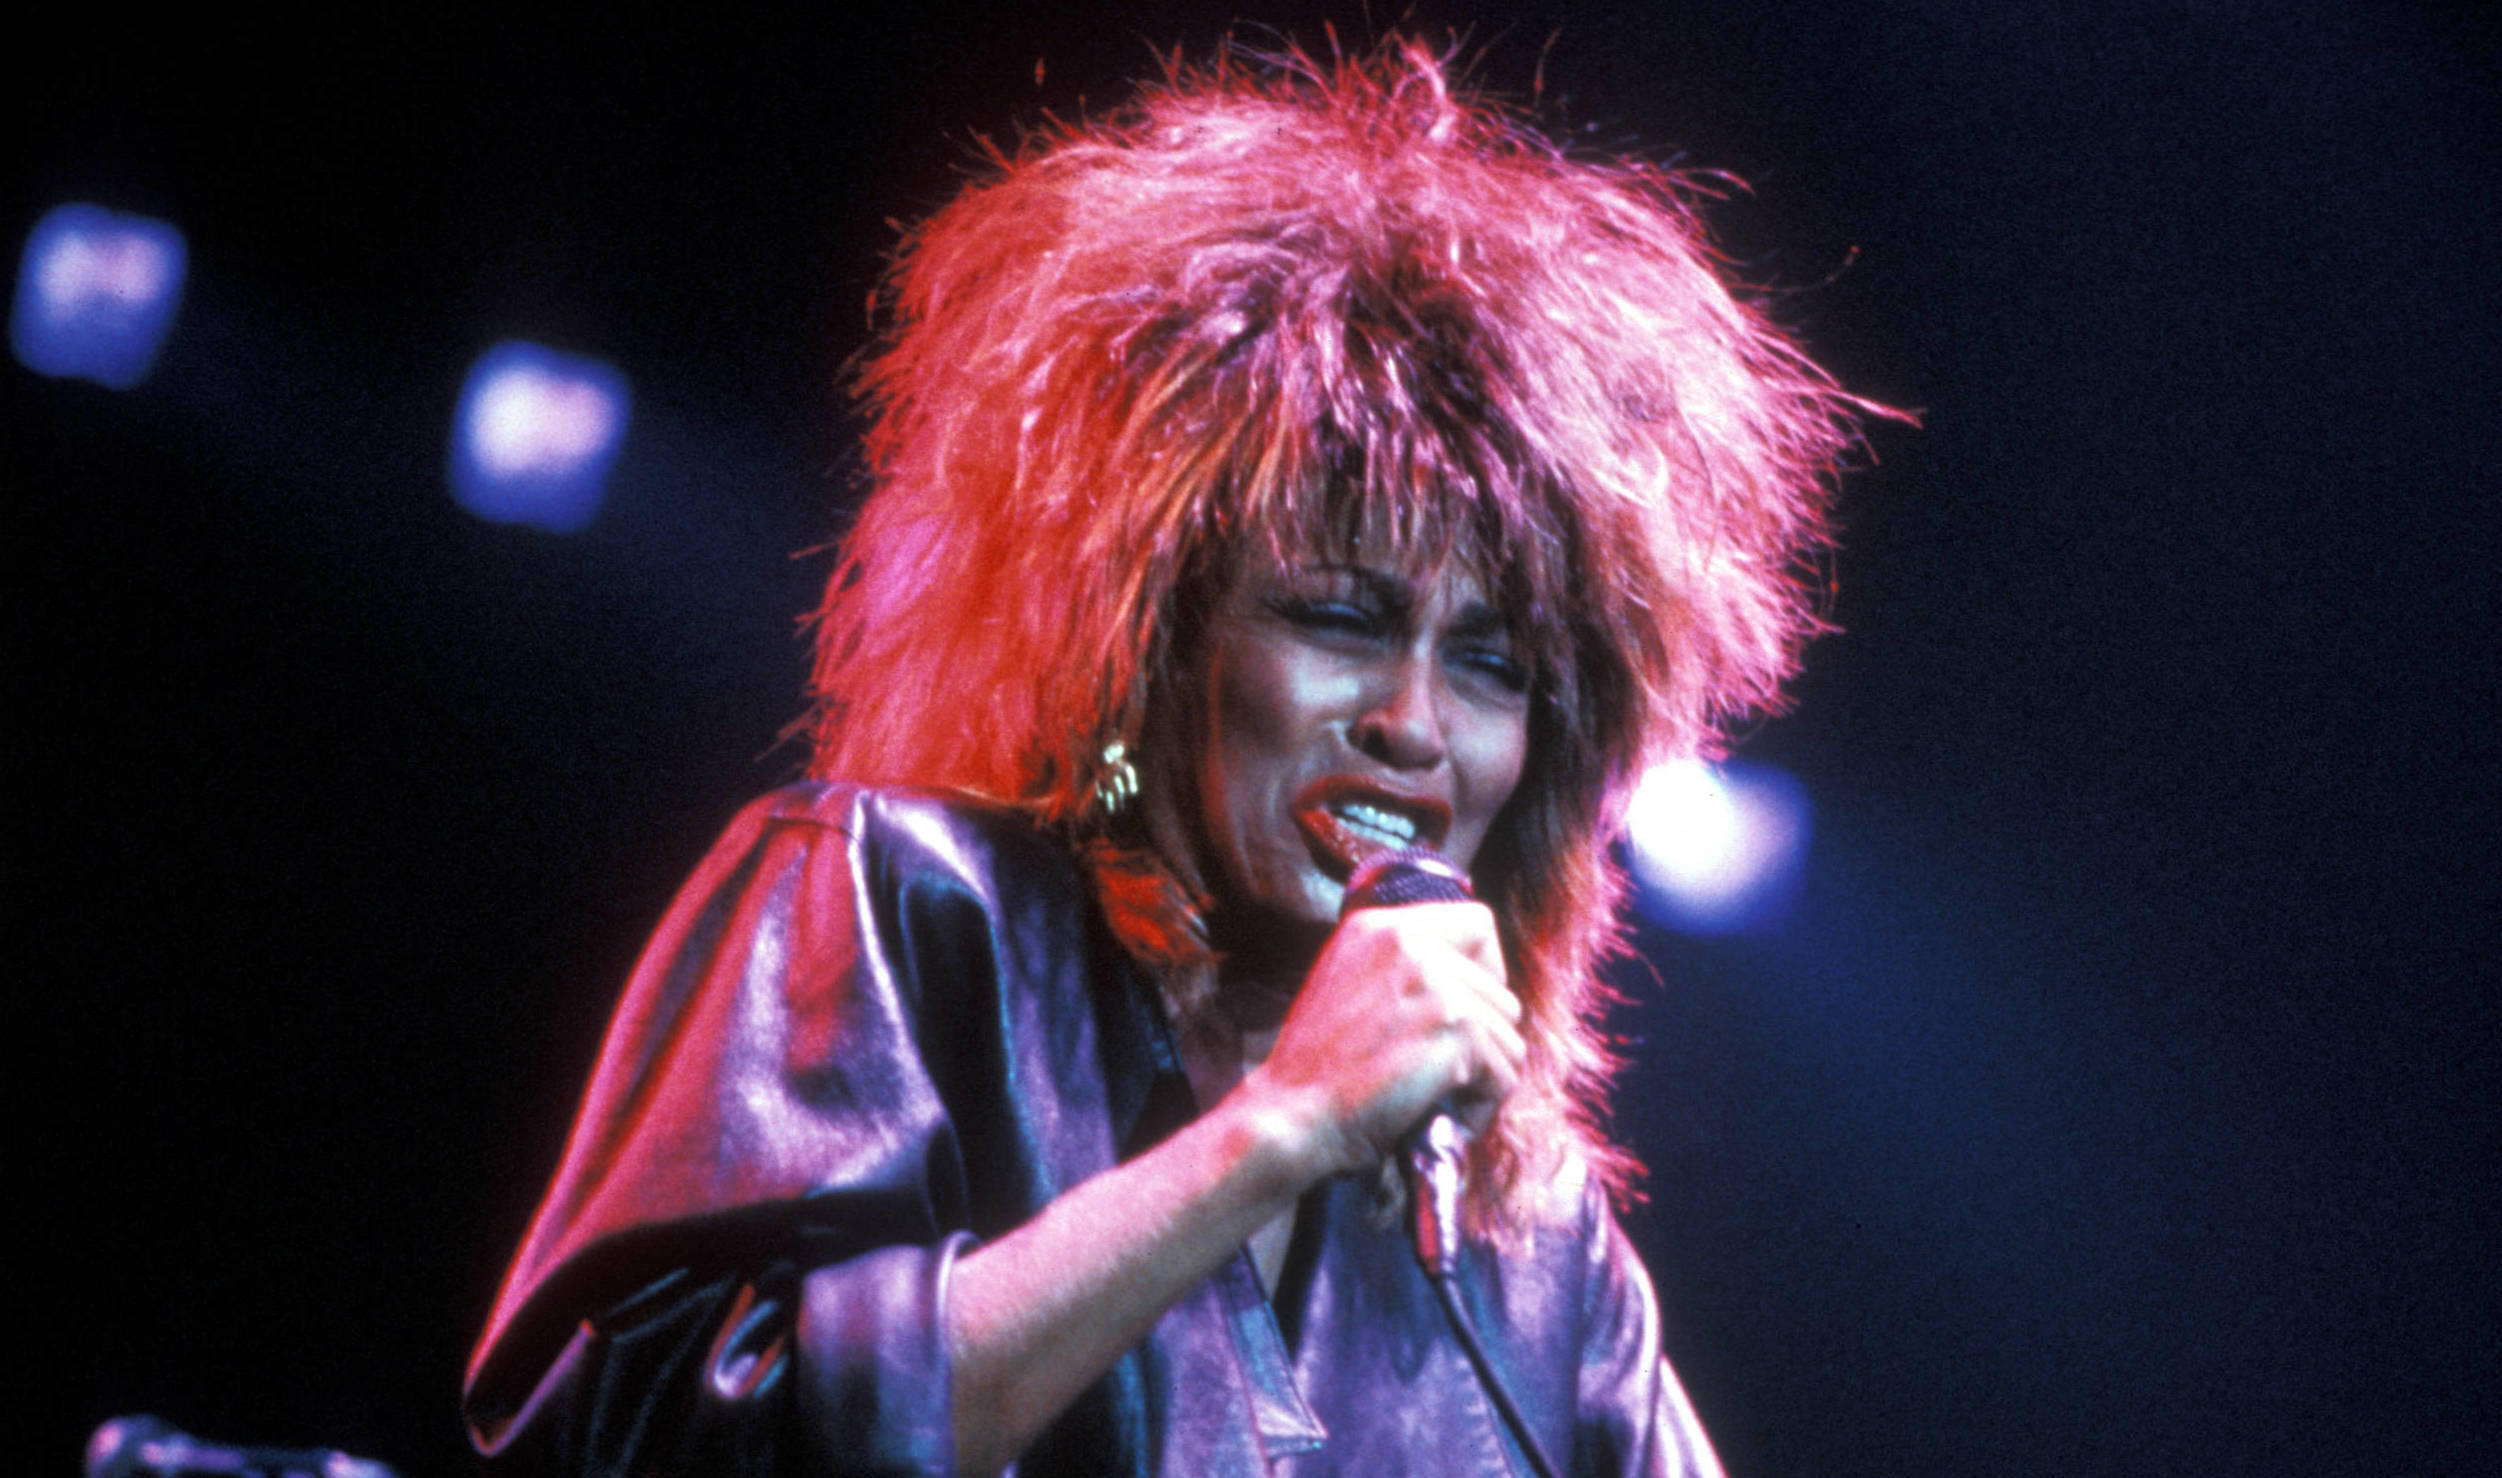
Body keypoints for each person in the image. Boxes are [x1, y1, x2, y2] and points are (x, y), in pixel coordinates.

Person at [463, 38, 1875, 1478]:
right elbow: (619, 1442)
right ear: (1147, 639)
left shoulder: (1528, 1234)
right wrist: (1276, 1127)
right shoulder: (899, 909)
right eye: (1339, 616)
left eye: (1490, 663)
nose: (1414, 720)